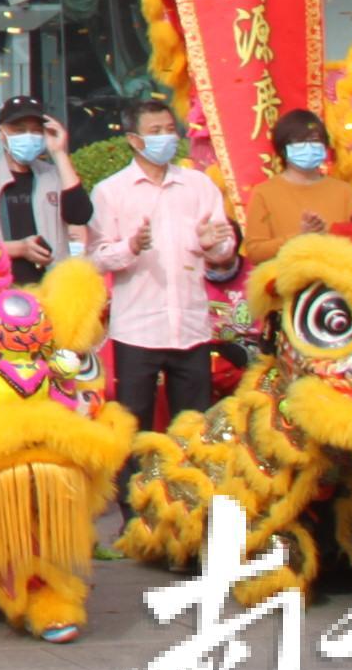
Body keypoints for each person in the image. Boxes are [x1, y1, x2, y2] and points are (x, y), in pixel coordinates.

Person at [91, 100, 241, 428]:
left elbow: (226, 248)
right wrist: (130, 247)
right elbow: (97, 258)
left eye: (170, 130)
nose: (165, 138)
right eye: (155, 131)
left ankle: (189, 480)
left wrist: (212, 244)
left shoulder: (199, 186)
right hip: (138, 329)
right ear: (133, 139)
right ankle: (135, 481)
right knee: (134, 426)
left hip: (191, 327)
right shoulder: (110, 191)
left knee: (194, 427)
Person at [0, 101, 90, 278]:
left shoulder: (56, 176)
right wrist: (19, 248)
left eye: (36, 130)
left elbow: (80, 215)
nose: (29, 136)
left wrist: (59, 153)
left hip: (54, 288)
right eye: (19, 130)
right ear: (1, 133)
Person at [242, 107, 352, 269]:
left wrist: (327, 236)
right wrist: (300, 237)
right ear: (283, 149)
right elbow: (255, 253)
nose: (309, 147)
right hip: (286, 284)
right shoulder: (263, 193)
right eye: (299, 141)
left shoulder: (344, 191)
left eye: (314, 140)